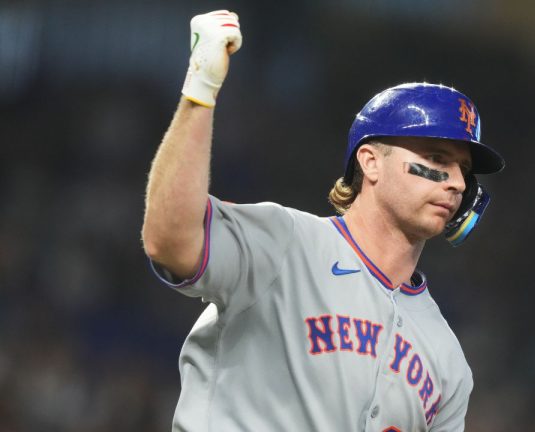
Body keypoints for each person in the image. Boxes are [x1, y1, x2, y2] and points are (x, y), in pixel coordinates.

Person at [142, 10, 505, 432]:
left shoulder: (446, 357)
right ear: (371, 163)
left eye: (464, 169)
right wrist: (200, 90)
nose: (457, 182)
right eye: (437, 159)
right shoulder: (285, 243)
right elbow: (168, 241)